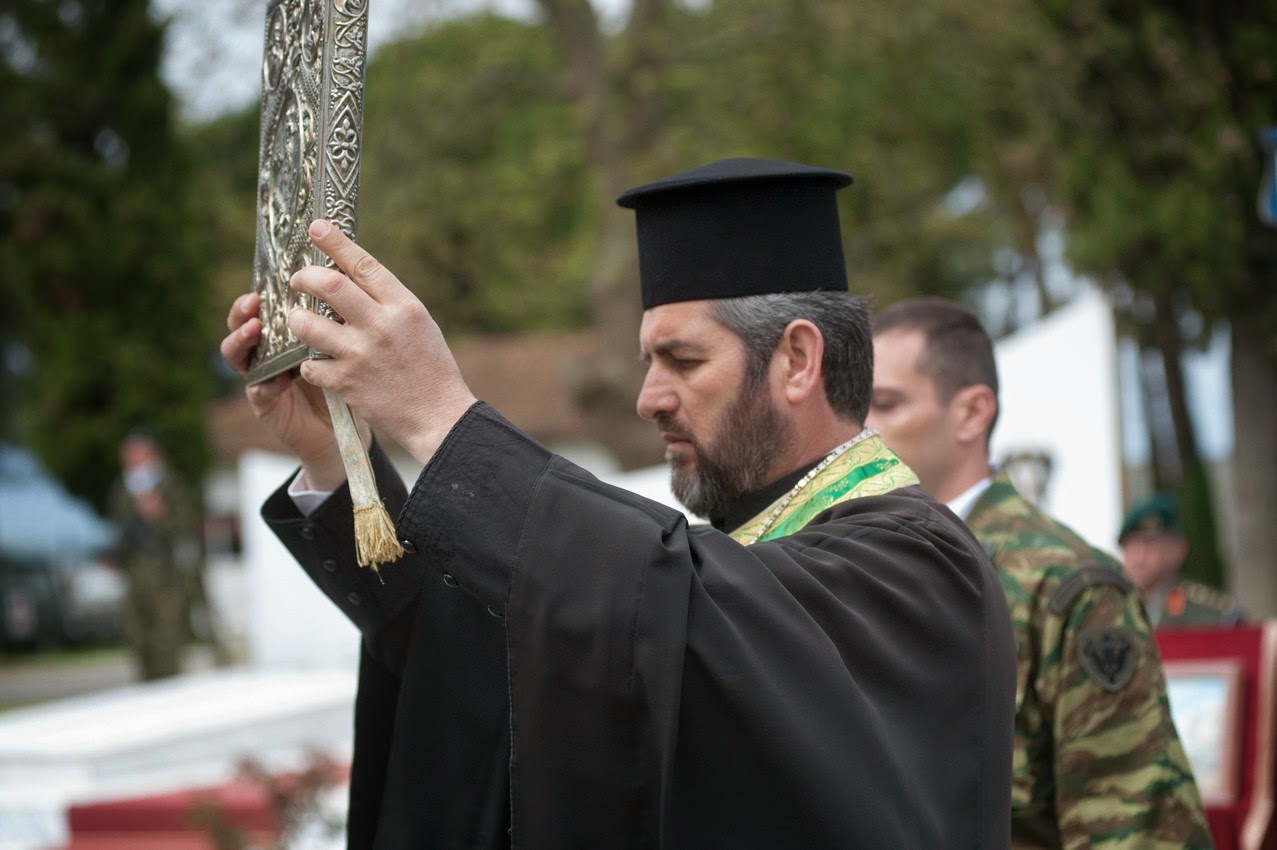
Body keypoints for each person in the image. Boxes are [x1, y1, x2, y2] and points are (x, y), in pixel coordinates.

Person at [221, 158, 1016, 848]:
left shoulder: (916, 564)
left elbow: (679, 608)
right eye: (647, 361)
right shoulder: (749, 566)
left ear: (798, 360)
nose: (647, 399)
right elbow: (494, 653)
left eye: (682, 359)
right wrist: (337, 454)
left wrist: (438, 415)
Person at [867, 296, 1213, 850]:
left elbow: (1136, 827)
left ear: (972, 413)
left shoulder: (1068, 586)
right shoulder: (856, 566)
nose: (862, 429)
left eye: (885, 404)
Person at [107, 430, 203, 680]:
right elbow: (118, 528)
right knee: (138, 633)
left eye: (138, 459)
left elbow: (184, 525)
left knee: (166, 633)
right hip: (135, 570)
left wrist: (158, 516)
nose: (133, 466)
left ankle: (170, 685)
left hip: (165, 571)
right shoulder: (122, 490)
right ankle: (146, 686)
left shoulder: (170, 485)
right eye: (128, 461)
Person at [1119, 492, 1243, 629]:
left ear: (1177, 550)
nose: (1139, 556)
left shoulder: (1215, 615)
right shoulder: (1110, 607)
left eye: (1149, 543)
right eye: (1130, 545)